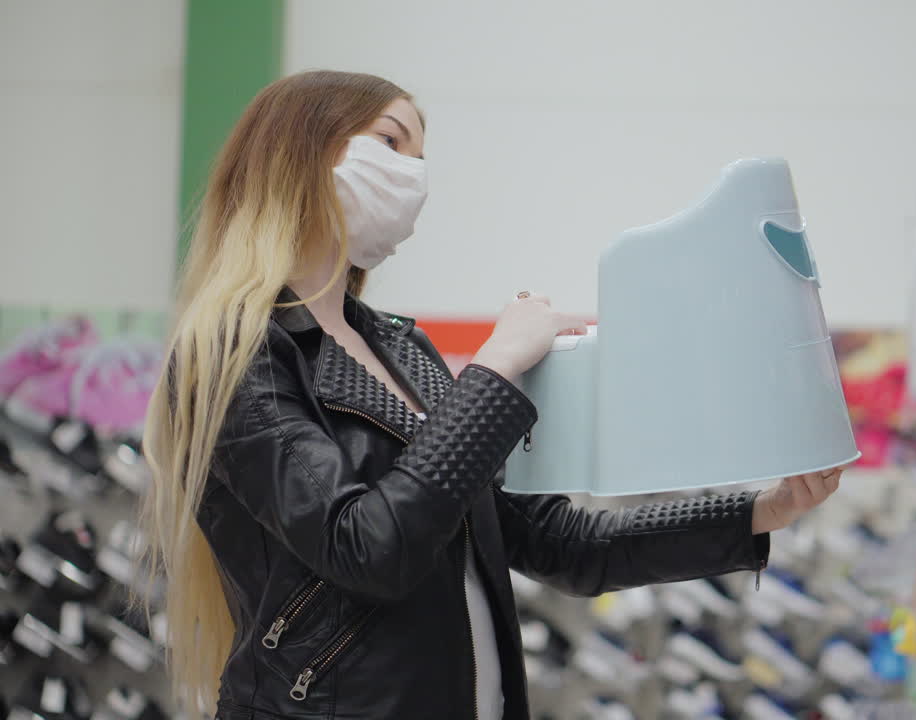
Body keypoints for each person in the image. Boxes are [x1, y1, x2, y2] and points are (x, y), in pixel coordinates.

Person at [142, 70, 841, 720]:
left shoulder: (400, 352)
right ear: (299, 151)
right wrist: (497, 369)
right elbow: (367, 547)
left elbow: (561, 542)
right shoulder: (234, 355)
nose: (412, 175)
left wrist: (758, 513)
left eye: (419, 155)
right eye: (390, 142)